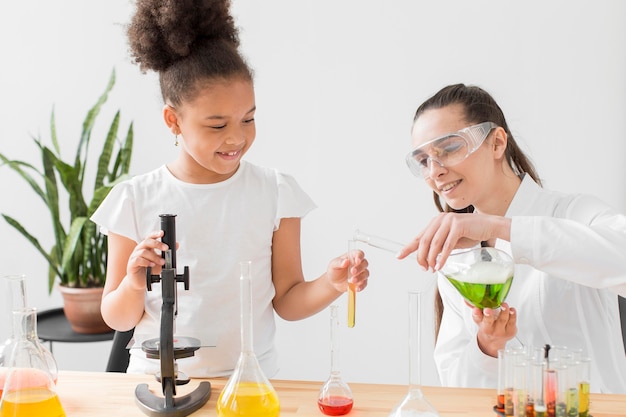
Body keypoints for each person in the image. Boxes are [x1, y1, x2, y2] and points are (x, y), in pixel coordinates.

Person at [91, 0, 369, 378]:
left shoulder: (274, 192)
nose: (237, 137)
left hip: (249, 382)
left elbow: (287, 300)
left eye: (248, 118)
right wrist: (134, 280)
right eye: (217, 126)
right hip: (156, 383)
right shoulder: (135, 199)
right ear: (174, 120)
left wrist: (330, 284)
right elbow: (117, 315)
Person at [398, 83, 626, 393]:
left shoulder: (572, 212)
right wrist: (487, 346)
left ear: (496, 143)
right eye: (423, 160)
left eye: (449, 148)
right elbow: (455, 386)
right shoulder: (458, 259)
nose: (434, 171)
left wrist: (500, 228)